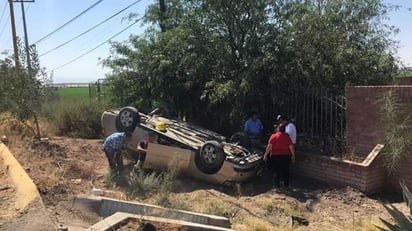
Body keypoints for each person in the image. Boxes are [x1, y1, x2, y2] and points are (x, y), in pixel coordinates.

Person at [263, 124, 295, 188]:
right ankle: (286, 184)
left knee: (276, 171)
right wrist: (293, 155)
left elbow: (269, 146)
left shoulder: (273, 136)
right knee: (286, 170)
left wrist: (265, 155)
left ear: (278, 129)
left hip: (275, 155)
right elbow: (291, 147)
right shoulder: (287, 137)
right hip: (286, 156)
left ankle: (277, 185)